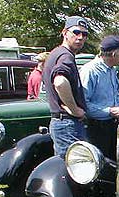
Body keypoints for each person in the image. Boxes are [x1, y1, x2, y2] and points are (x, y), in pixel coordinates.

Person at [80, 35, 119, 159]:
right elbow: (83, 104)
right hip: (97, 128)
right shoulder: (90, 71)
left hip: (113, 125)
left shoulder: (111, 70)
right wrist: (109, 111)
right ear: (115, 54)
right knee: (101, 165)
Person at [43, 15, 89, 158]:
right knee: (74, 171)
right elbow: (60, 82)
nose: (80, 37)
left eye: (84, 34)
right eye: (76, 32)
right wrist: (75, 110)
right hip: (67, 124)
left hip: (62, 123)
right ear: (65, 33)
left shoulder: (57, 53)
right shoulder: (65, 56)